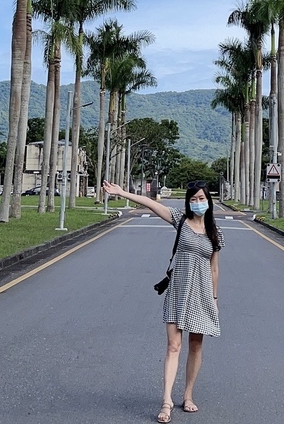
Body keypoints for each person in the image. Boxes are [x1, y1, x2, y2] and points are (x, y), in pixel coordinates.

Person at [103, 179, 224, 422]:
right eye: (193, 199)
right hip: (179, 289)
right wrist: (122, 192)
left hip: (202, 294)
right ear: (188, 202)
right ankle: (167, 401)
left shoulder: (214, 232)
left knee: (196, 345)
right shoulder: (180, 220)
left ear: (208, 202)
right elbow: (149, 203)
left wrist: (214, 298)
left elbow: (214, 269)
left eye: (201, 199)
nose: (198, 203)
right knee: (173, 346)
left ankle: (188, 395)